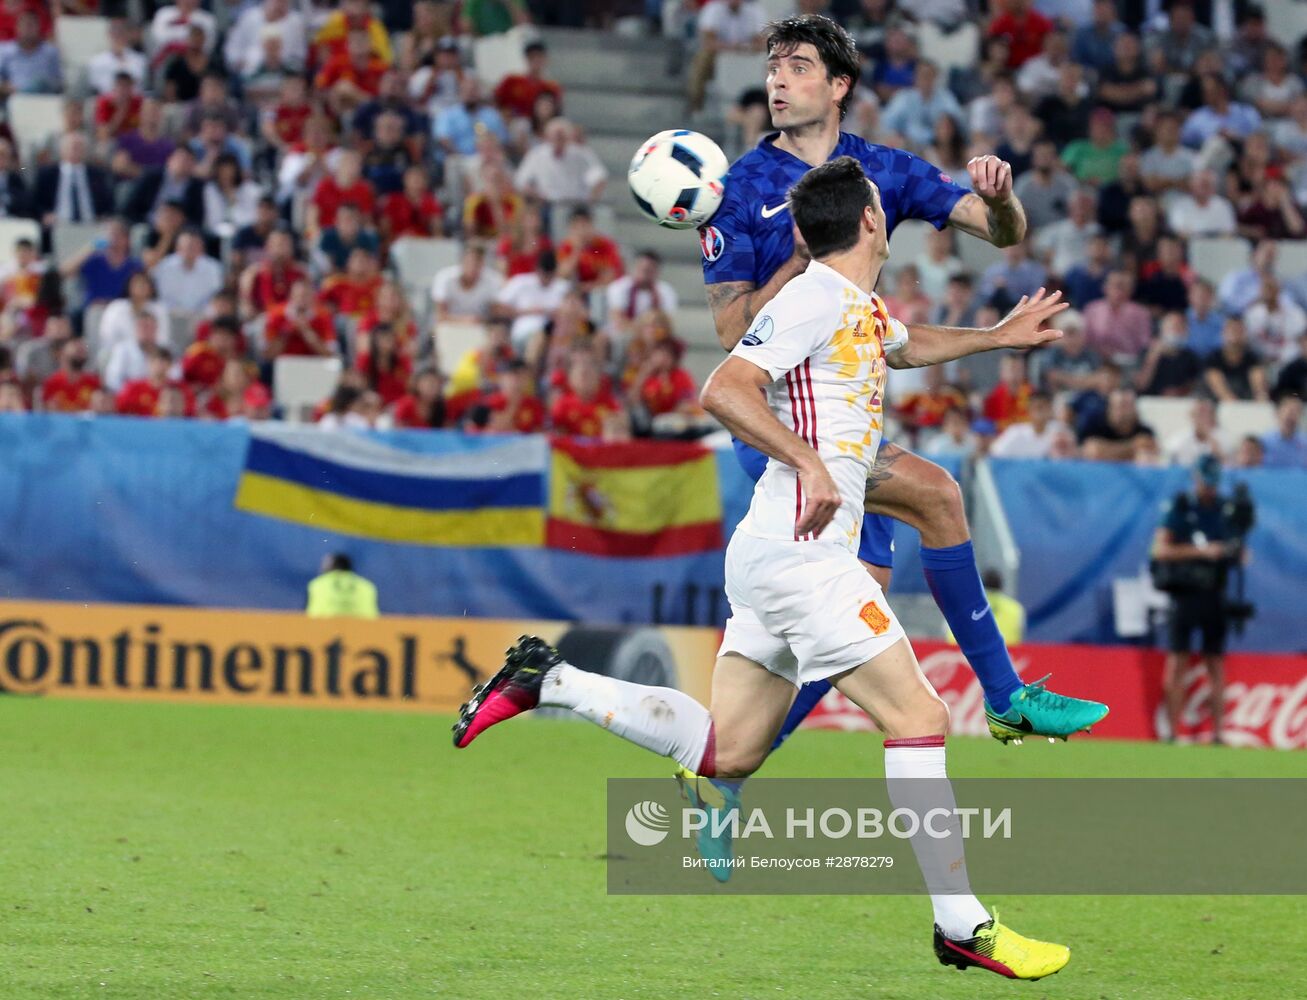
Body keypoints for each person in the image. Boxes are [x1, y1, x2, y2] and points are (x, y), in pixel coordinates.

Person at [454, 156, 1077, 980]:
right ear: (869, 222)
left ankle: (549, 681)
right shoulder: (812, 298)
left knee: (730, 753)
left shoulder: (852, 302)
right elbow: (725, 387)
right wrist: (810, 463)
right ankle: (962, 923)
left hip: (768, 551)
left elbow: (907, 344)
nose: (886, 215)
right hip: (804, 552)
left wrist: (995, 337)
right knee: (919, 718)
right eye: (879, 208)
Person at [698, 13, 1105, 754]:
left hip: (848, 414)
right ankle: (1006, 698)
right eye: (771, 69)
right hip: (786, 428)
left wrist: (1003, 196)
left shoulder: (881, 171)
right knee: (937, 497)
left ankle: (723, 770)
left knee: (863, 596)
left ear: (838, 83)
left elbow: (999, 232)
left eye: (794, 67)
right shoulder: (738, 189)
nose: (777, 82)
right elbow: (731, 337)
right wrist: (802, 258)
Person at [1152, 456, 1243, 744]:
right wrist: (1201, 552)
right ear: (1196, 478)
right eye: (1206, 483)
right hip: (1185, 593)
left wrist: (1231, 552)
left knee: (1215, 662)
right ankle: (1172, 732)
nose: (1209, 490)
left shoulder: (1224, 510)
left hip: (1214, 594)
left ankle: (1218, 733)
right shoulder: (1181, 506)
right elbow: (1160, 550)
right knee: (1178, 660)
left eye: (1214, 484)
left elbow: (1238, 552)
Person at [306, 553, 379, 619]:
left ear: (331, 566)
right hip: (364, 631)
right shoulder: (367, 586)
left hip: (323, 630)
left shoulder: (317, 584)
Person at [1259, 394, 1307, 468]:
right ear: (1278, 413)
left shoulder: (1304, 443)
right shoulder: (1264, 441)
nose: (1292, 416)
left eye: (1296, 412)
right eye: (1289, 411)